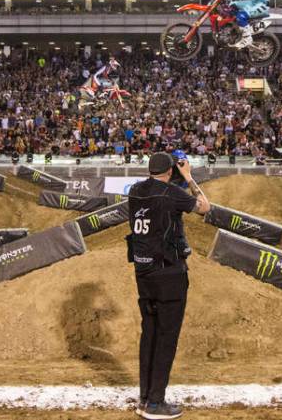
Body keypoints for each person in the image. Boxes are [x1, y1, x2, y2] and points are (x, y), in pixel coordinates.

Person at [126, 151, 210, 419]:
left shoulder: (136, 191)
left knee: (149, 335)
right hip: (169, 274)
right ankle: (155, 404)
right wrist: (189, 176)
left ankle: (145, 397)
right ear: (171, 171)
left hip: (143, 273)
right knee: (166, 338)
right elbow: (204, 207)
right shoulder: (172, 193)